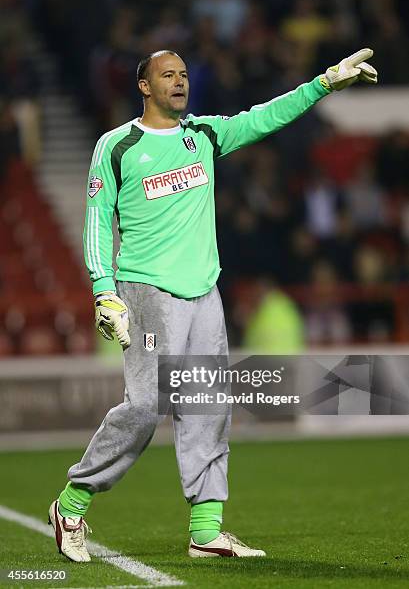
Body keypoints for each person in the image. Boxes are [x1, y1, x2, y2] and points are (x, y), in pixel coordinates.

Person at [48, 48, 377, 562]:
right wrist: (103, 289)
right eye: (167, 75)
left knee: (206, 408)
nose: (179, 82)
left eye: (183, 74)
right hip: (148, 291)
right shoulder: (117, 146)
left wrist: (325, 83)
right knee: (144, 406)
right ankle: (72, 503)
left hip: (204, 293)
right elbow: (97, 221)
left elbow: (263, 118)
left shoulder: (202, 134)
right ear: (144, 86)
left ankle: (206, 529)